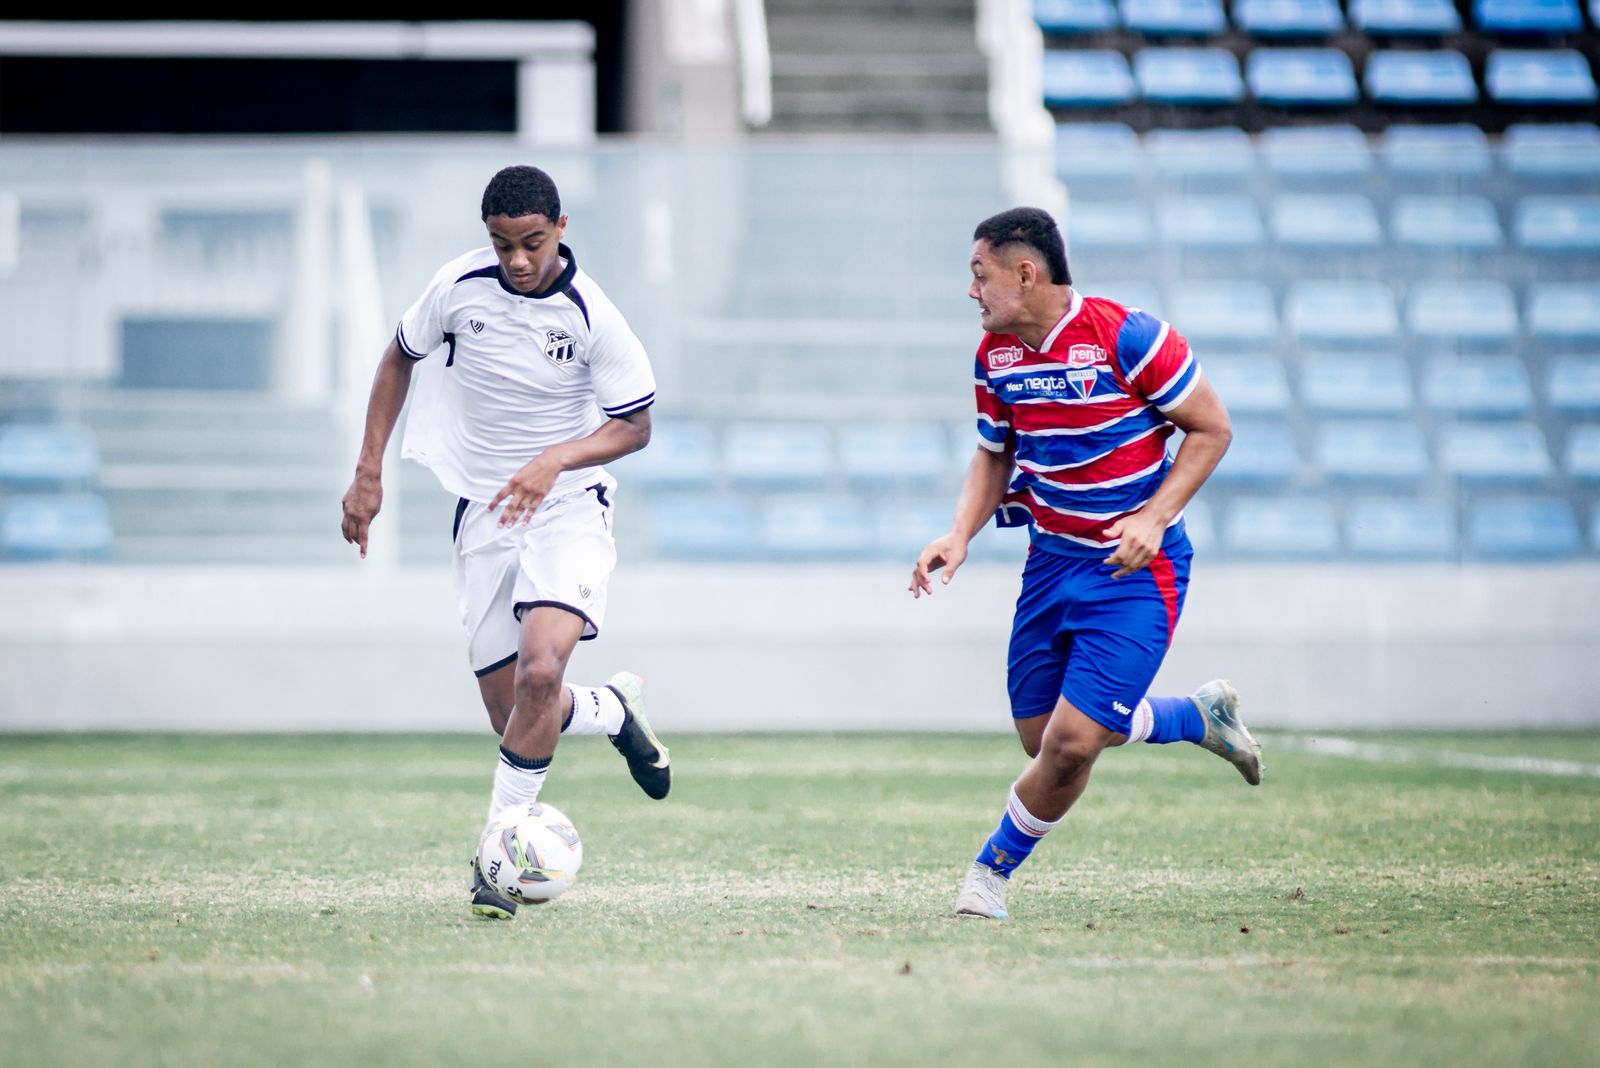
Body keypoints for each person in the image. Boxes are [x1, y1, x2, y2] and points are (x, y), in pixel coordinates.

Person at [909, 207, 1261, 921]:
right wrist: (959, 534)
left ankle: (988, 877)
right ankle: (1194, 718)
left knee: (1070, 746)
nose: (970, 291)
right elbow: (995, 451)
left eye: (980, 276)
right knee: (1045, 740)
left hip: (1136, 572)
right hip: (1049, 566)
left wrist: (1153, 519)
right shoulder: (994, 358)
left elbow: (1212, 429)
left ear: (1025, 274)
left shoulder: (1129, 337)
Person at [340, 165, 671, 920]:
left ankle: (495, 859)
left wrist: (554, 459)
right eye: (501, 244)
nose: (516, 260)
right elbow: (399, 356)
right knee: (516, 713)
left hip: (568, 508)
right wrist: (367, 470)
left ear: (560, 230)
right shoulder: (457, 287)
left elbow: (636, 425)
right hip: (484, 512)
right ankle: (614, 711)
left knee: (539, 673)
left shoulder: (595, 317)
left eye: (530, 242)